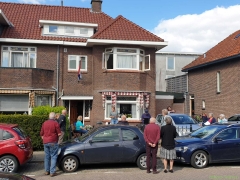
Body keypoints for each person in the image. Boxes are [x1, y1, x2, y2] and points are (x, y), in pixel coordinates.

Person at [40, 112, 61, 177]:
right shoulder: (55, 123)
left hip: (45, 142)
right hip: (53, 142)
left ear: (49, 117)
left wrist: (44, 138)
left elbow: (41, 133)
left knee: (47, 157)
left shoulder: (44, 123)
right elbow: (59, 134)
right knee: (53, 156)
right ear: (54, 117)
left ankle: (47, 171)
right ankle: (52, 172)